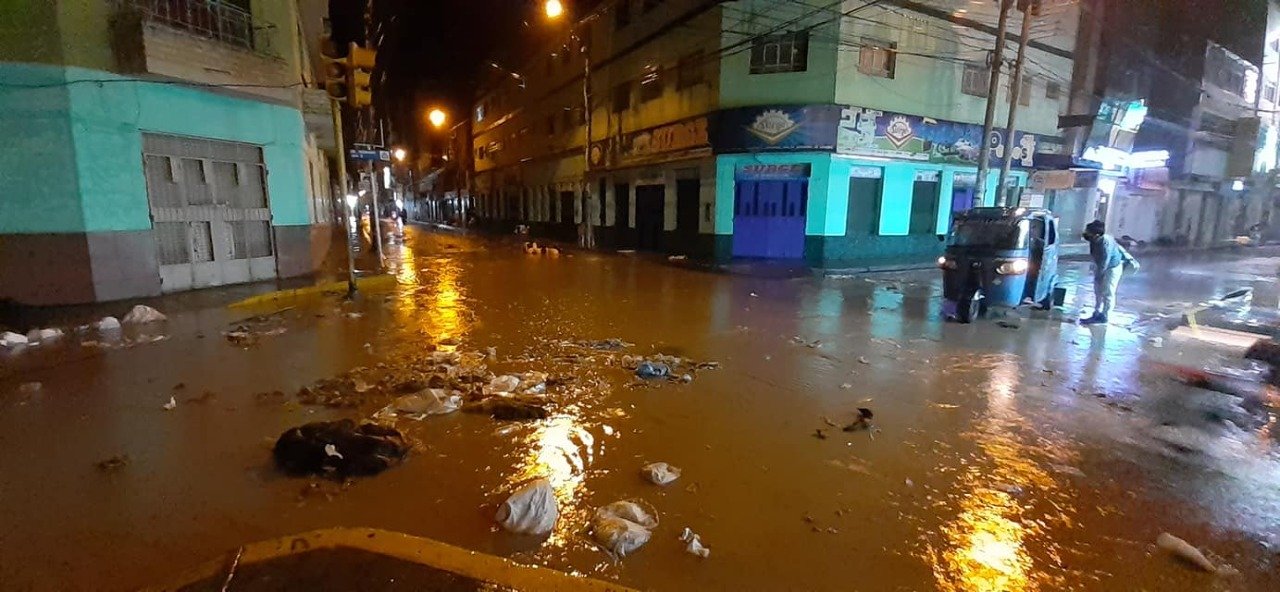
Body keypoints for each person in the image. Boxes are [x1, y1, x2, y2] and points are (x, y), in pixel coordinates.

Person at [1081, 220, 1139, 325]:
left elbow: (1104, 262)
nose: (1086, 233)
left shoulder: (1105, 243)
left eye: (1088, 232)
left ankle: (1104, 316)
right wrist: (1096, 273)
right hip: (1101, 266)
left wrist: (1099, 275)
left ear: (1096, 234)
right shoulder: (1094, 240)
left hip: (1113, 267)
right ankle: (1096, 313)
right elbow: (1096, 258)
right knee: (1097, 291)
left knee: (1108, 292)